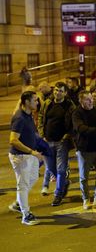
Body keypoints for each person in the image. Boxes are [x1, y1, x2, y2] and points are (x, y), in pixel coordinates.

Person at [9, 91, 45, 225]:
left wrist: (38, 147)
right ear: (26, 102)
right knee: (23, 185)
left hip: (30, 155)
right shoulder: (19, 118)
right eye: (35, 100)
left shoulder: (29, 115)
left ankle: (19, 202)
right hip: (20, 156)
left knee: (34, 177)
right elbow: (13, 140)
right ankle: (26, 215)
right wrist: (31, 151)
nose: (37, 102)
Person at [37, 82, 75, 206]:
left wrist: (66, 136)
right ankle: (64, 183)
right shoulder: (48, 103)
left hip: (61, 142)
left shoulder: (69, 106)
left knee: (61, 169)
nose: (57, 92)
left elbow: (73, 124)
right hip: (47, 142)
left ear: (65, 93)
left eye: (60, 91)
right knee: (51, 168)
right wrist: (42, 134)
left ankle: (58, 194)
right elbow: (41, 117)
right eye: (56, 90)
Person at [72, 91, 96, 210]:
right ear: (81, 101)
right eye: (87, 99)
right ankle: (86, 199)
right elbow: (81, 128)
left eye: (91, 99)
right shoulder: (77, 113)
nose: (90, 101)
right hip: (85, 150)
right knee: (84, 176)